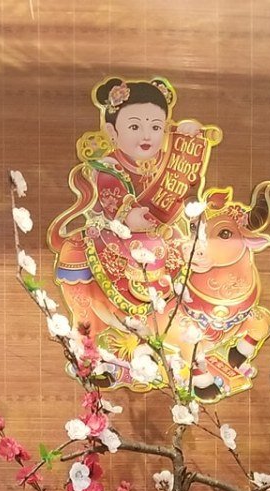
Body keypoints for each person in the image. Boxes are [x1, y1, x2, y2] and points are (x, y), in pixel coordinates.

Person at [47, 76, 214, 376]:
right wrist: (128, 214)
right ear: (112, 131)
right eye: (135, 127)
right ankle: (88, 348)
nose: (146, 135)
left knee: (194, 263)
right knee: (76, 258)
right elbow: (114, 197)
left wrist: (187, 147)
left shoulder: (167, 163)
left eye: (156, 127)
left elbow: (187, 190)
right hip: (112, 237)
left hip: (159, 236)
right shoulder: (108, 166)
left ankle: (174, 345)